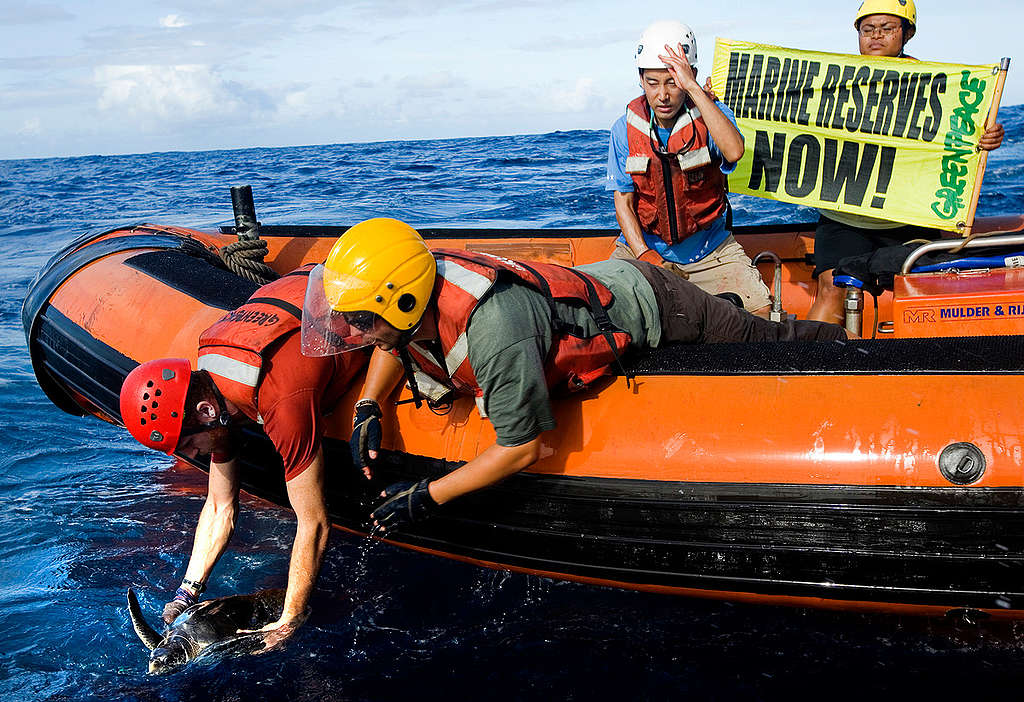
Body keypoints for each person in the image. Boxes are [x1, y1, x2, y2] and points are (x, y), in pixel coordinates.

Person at [301, 218, 846, 532]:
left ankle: (842, 340)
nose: (353, 331)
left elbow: (522, 449)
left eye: (359, 320)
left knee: (768, 346)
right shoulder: (417, 294)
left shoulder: (496, 329)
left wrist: (427, 496)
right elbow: (398, 340)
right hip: (587, 297)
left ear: (400, 299)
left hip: (655, 299)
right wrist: (369, 404)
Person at [119, 265, 368, 648]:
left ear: (205, 412)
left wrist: (289, 619)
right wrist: (185, 594)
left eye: (187, 445)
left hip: (353, 302)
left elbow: (315, 521)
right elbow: (220, 506)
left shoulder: (282, 402)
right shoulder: (212, 378)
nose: (192, 456)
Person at [807, 0, 1005, 324]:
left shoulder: (937, 84)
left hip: (909, 216)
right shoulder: (833, 79)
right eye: (868, 29)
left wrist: (987, 135)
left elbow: (969, 128)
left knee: (919, 291)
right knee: (830, 286)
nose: (875, 37)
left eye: (887, 29)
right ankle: (811, 368)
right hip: (845, 217)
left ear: (907, 33)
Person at [606, 20, 772, 316]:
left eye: (672, 81)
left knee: (759, 313)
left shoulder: (712, 115)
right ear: (641, 80)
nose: (663, 95)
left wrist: (694, 89)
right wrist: (644, 253)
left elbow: (734, 151)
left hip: (711, 250)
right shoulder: (623, 130)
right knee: (603, 313)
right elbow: (624, 201)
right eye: (652, 83)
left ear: (690, 75)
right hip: (643, 248)